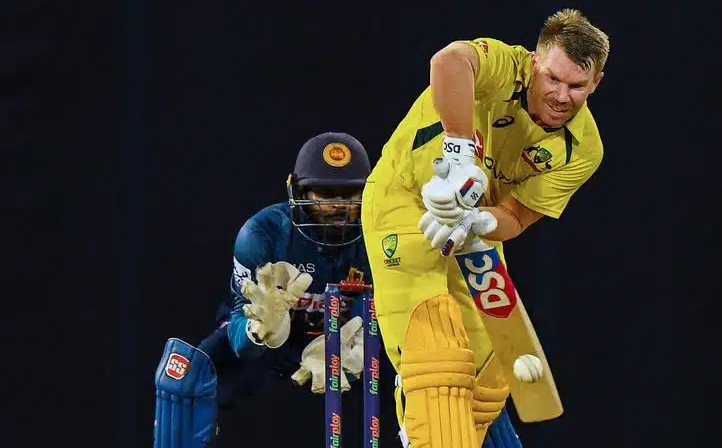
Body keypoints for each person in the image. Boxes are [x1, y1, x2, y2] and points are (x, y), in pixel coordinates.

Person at [152, 132, 523, 447]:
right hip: (281, 343)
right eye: (323, 194)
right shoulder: (263, 233)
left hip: (358, 344)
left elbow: (409, 302)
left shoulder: (387, 230)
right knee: (184, 374)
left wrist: (364, 342)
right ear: (297, 191)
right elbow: (239, 321)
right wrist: (257, 331)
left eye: (349, 195)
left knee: (459, 378)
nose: (337, 207)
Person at [360, 8, 610, 448]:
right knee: (439, 360)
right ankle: (423, 414)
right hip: (404, 200)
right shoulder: (503, 65)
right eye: (552, 78)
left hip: (469, 227)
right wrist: (459, 156)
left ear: (596, 83)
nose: (560, 96)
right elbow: (448, 62)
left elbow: (517, 216)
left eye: (576, 86)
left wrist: (480, 221)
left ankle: (424, 429)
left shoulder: (584, 150)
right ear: (534, 61)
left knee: (488, 372)